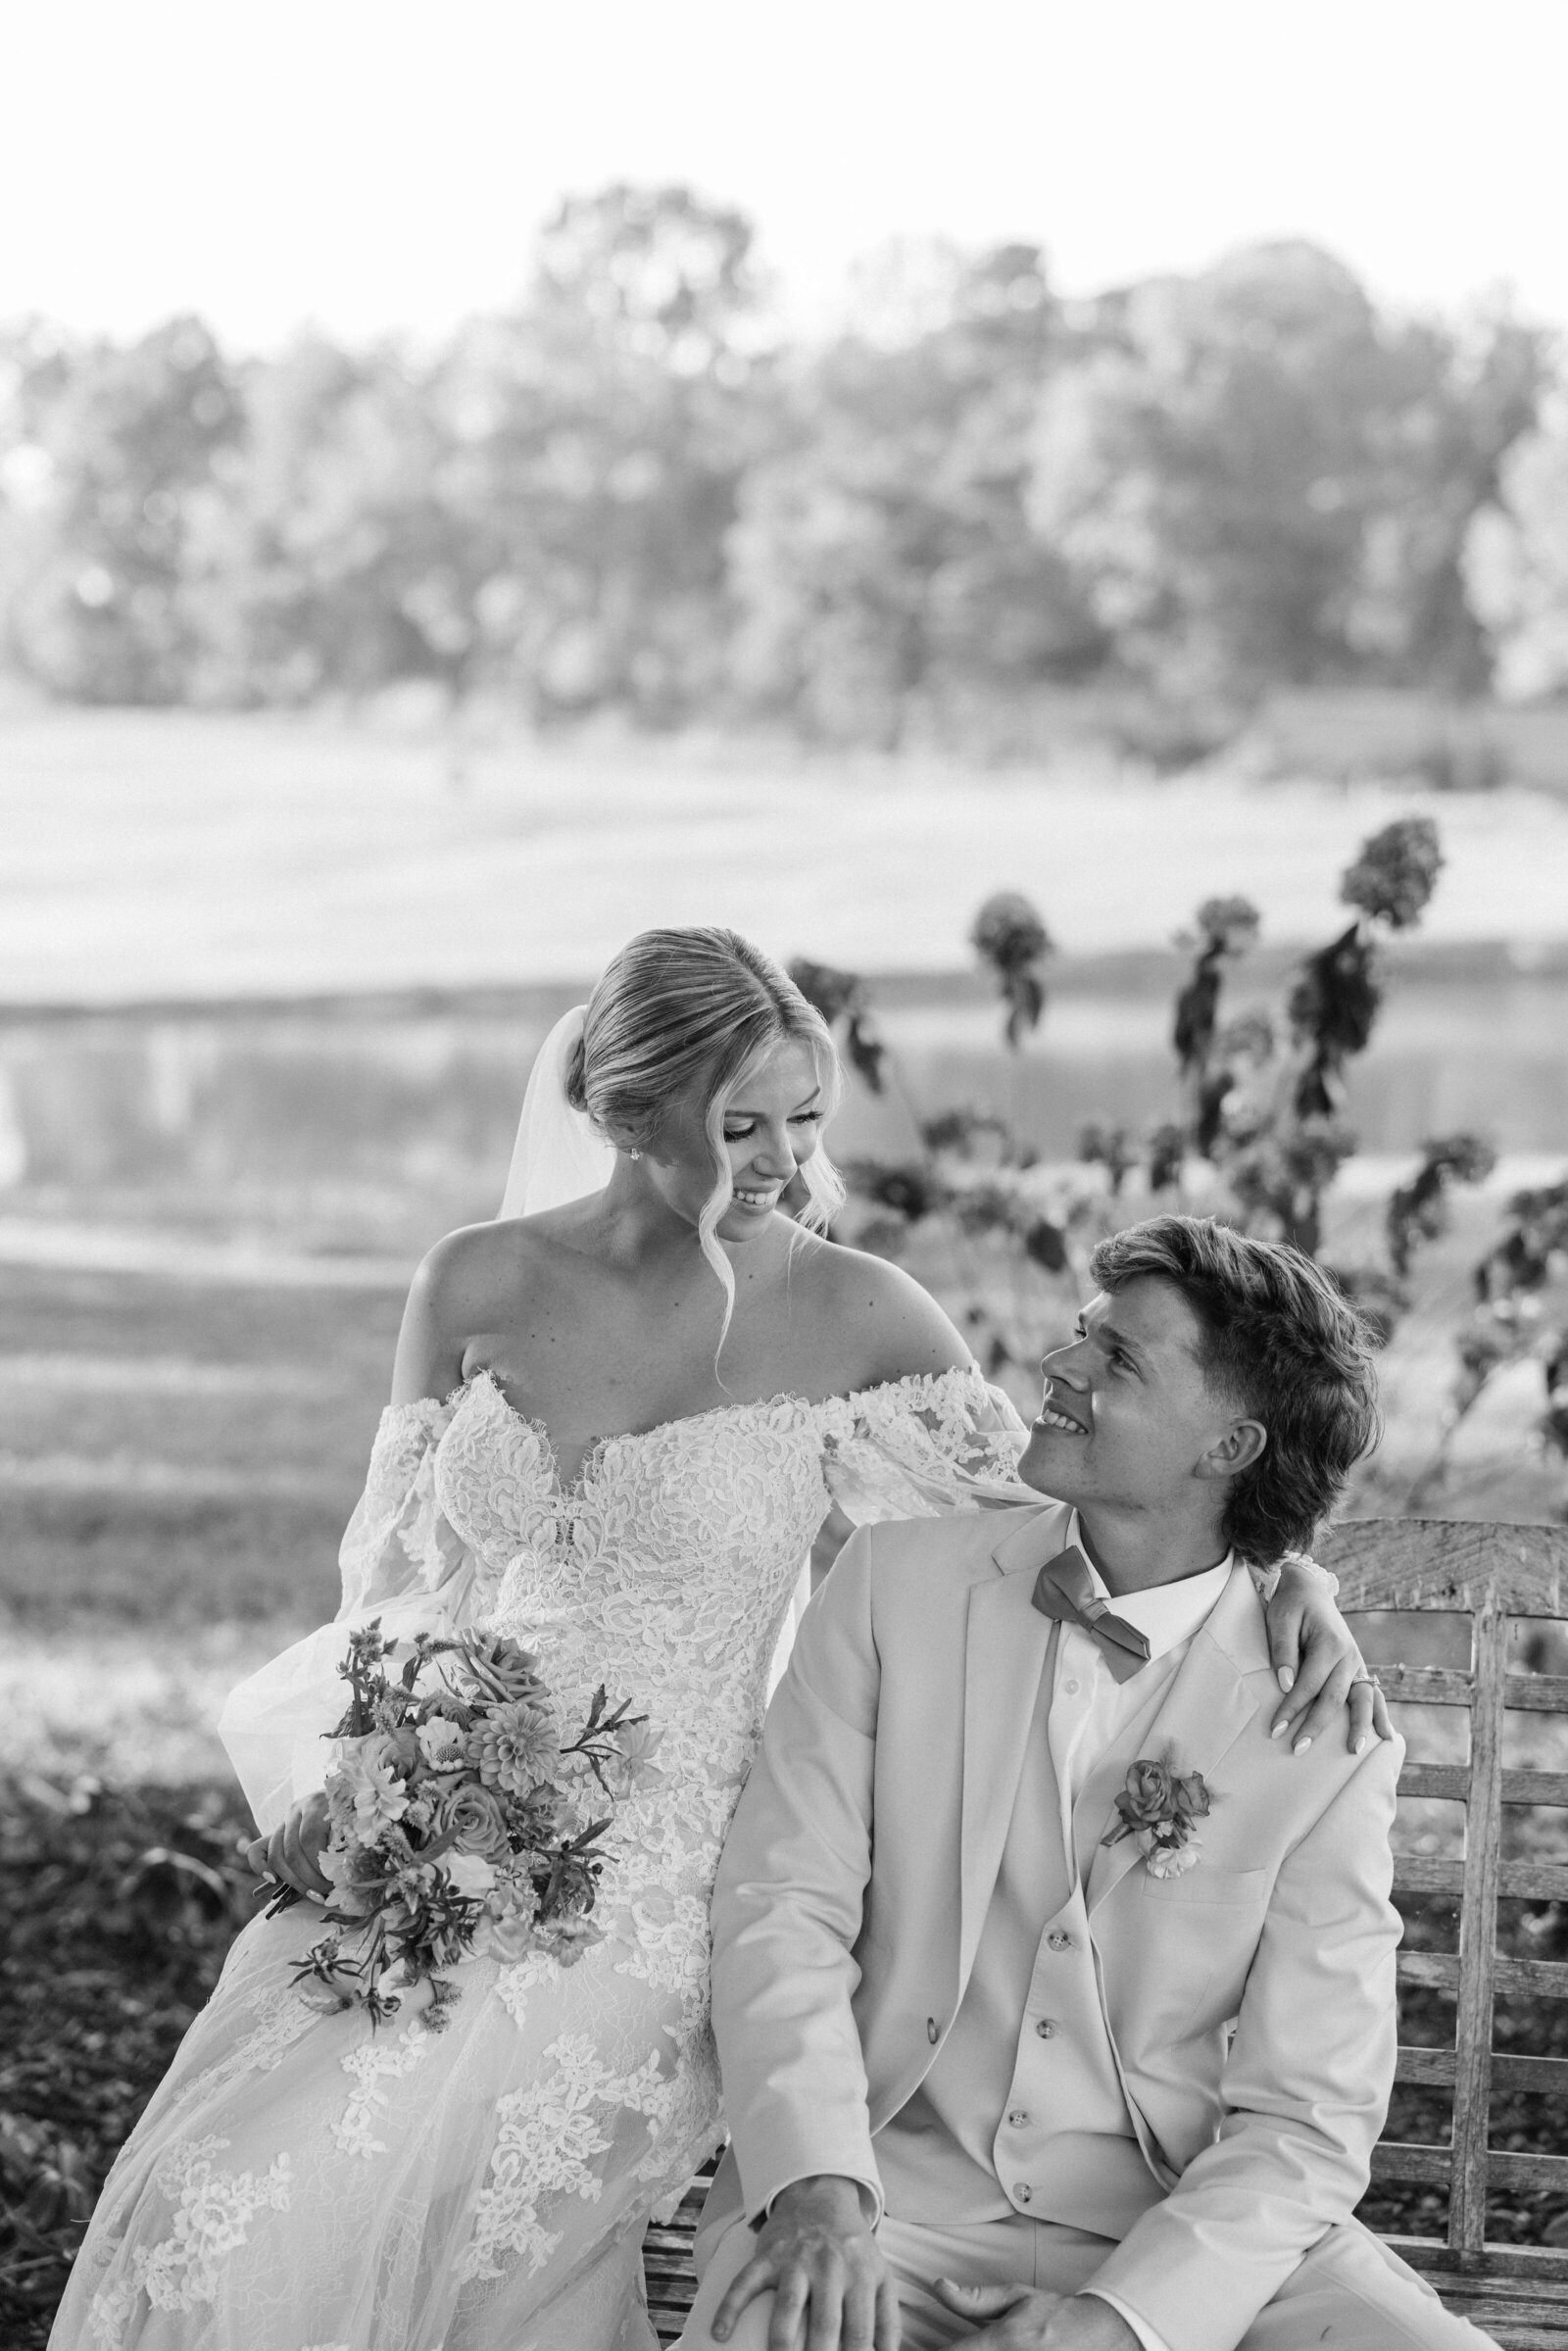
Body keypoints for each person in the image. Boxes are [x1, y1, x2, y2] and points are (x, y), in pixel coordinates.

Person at [51, 935, 1379, 2351]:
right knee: (213, 2195)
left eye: (806, 1118)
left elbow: (1071, 1505)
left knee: (392, 2191)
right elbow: (400, 1588)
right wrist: (362, 1781)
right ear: (628, 1111)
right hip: (442, 1816)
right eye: (744, 1124)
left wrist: (1280, 1569)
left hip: (669, 1877)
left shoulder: (860, 1310)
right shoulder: (470, 1280)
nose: (787, 1161)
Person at [683, 1214, 1491, 2351]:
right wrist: (817, 2188)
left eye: (1117, 1357)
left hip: (1184, 2227)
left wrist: (1118, 2323)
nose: (1057, 1364)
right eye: (1081, 1331)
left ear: (1229, 1445)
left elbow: (1307, 2113)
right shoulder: (890, 1587)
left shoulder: (1321, 1723)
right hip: (880, 2199)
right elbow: (781, 1905)